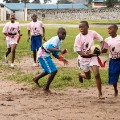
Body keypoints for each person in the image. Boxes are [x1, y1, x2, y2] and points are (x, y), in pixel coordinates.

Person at [32, 27, 68, 93]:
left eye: (65, 34)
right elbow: (49, 48)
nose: (64, 35)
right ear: (58, 34)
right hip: (43, 54)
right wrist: (60, 50)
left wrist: (62, 59)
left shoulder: (59, 41)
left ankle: (36, 79)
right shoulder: (56, 39)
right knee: (54, 71)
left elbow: (54, 54)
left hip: (45, 54)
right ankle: (46, 88)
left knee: (47, 71)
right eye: (62, 34)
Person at [74, 21, 104, 99]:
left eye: (83, 27)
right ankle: (80, 75)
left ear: (87, 27)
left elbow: (101, 40)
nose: (81, 29)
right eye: (80, 27)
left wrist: (101, 49)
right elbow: (78, 51)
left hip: (92, 57)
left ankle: (100, 93)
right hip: (83, 59)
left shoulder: (92, 33)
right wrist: (87, 55)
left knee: (97, 74)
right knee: (88, 77)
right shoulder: (78, 37)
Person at [102, 24, 120, 97]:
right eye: (108, 29)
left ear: (116, 29)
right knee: (113, 76)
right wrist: (99, 49)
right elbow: (104, 50)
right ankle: (115, 90)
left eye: (110, 29)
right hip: (113, 61)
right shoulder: (107, 40)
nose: (108, 30)